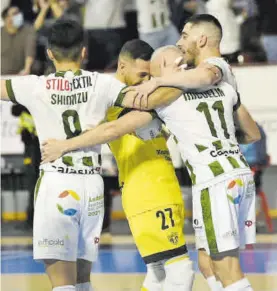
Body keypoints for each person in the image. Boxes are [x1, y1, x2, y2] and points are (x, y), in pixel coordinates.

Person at [42, 16, 261, 291]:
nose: (182, 53)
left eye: (184, 38)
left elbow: (116, 127)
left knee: (218, 268)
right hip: (221, 178)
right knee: (198, 267)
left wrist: (64, 144)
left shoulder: (167, 96)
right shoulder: (223, 86)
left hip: (207, 182)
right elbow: (253, 134)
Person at [43, 39, 195, 291]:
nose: (147, 80)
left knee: (157, 276)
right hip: (149, 192)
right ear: (122, 66)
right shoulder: (116, 100)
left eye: (150, 75)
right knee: (181, 271)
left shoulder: (140, 94)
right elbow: (113, 129)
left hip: (160, 186)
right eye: (142, 74)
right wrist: (185, 79)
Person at [1, 19, 126, 291]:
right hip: (92, 185)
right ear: (83, 52)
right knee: (83, 279)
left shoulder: (34, 86)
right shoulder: (103, 84)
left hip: (57, 183)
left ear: (49, 53)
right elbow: (139, 102)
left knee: (62, 283)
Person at [1, 6, 36, 75]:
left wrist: (27, 69)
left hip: (20, 75)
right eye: (15, 13)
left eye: (19, 13)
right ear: (7, 19)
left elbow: (30, 50)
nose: (19, 15)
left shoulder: (28, 30)